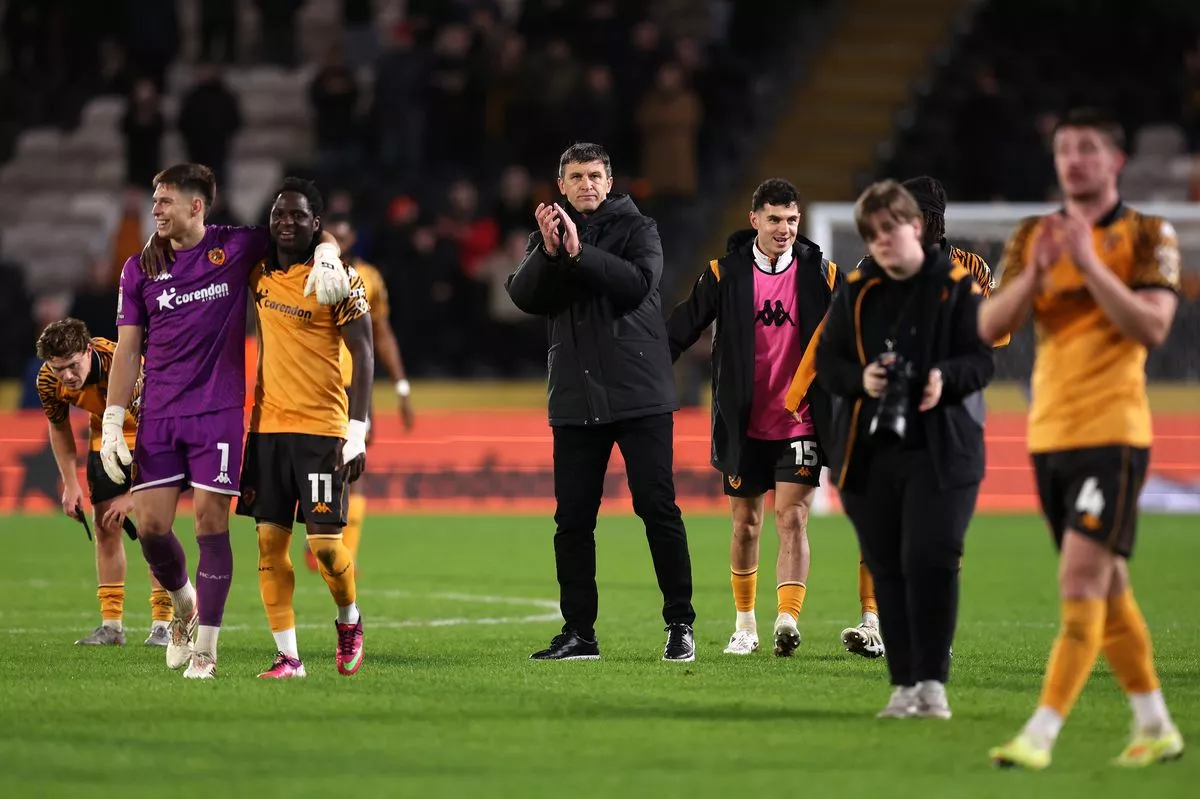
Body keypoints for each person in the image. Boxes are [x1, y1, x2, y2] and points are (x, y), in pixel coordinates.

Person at [983, 109, 1185, 769]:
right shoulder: (1032, 235)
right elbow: (988, 325)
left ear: (1115, 160)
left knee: (1077, 578)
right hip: (1050, 434)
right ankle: (1155, 723)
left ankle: (1039, 733)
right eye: (1066, 149)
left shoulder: (1151, 235)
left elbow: (1152, 329)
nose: (1074, 160)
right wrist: (1039, 275)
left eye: (1089, 148)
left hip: (1113, 432)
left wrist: (1090, 266)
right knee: (1110, 580)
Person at [101, 163, 351, 680]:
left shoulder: (235, 247)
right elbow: (128, 351)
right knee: (149, 527)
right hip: (160, 415)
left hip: (217, 413)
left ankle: (206, 652)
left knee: (211, 526)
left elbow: (301, 227)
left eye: (165, 201)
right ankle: (182, 601)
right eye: (155, 201)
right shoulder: (139, 268)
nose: (155, 210)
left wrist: (328, 252)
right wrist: (111, 419)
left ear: (197, 206)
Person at [505, 142, 696, 662]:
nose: (586, 184)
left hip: (640, 395)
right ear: (560, 186)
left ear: (609, 182)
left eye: (594, 175)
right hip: (575, 396)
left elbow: (636, 285)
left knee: (656, 509)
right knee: (572, 522)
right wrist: (547, 251)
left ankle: (681, 624)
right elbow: (523, 296)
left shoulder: (641, 229)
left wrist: (576, 253)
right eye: (575, 177)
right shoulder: (545, 238)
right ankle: (579, 634)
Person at [816, 180, 994, 719]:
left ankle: (933, 683)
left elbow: (981, 360)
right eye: (872, 233)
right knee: (888, 566)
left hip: (944, 448)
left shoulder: (957, 287)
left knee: (932, 558)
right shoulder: (857, 290)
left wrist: (944, 377)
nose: (882, 241)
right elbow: (829, 363)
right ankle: (903, 685)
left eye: (890, 229)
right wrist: (862, 378)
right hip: (871, 451)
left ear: (916, 226)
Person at [666, 178, 840, 657]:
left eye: (792, 220)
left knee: (794, 516)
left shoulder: (821, 274)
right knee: (746, 524)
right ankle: (745, 625)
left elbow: (855, 328)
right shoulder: (724, 274)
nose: (784, 229)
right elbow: (680, 329)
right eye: (775, 219)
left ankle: (787, 618)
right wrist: (643, 369)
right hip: (743, 422)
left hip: (800, 419)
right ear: (754, 220)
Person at [237, 179, 374, 679]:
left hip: (321, 430)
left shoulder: (338, 278)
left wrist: (356, 433)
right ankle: (288, 658)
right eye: (279, 215)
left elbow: (364, 350)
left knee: (325, 548)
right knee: (269, 546)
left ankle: (349, 617)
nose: (285, 223)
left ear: (316, 224)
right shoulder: (257, 273)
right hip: (267, 429)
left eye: (297, 216)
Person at [35, 318, 173, 647]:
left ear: (87, 351)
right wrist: (70, 484)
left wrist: (133, 495)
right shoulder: (47, 381)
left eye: (71, 365)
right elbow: (59, 428)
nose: (66, 376)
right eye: (57, 369)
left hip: (149, 434)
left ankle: (164, 626)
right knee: (105, 528)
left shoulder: (123, 368)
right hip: (104, 438)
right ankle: (111, 626)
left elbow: (159, 434)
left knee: (153, 528)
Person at [298, 213, 413, 573]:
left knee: (353, 467)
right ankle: (316, 537)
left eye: (346, 240)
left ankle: (345, 552)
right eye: (336, 239)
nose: (340, 246)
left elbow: (382, 333)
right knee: (314, 464)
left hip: (353, 385)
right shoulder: (304, 274)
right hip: (314, 382)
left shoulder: (369, 278)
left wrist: (401, 385)